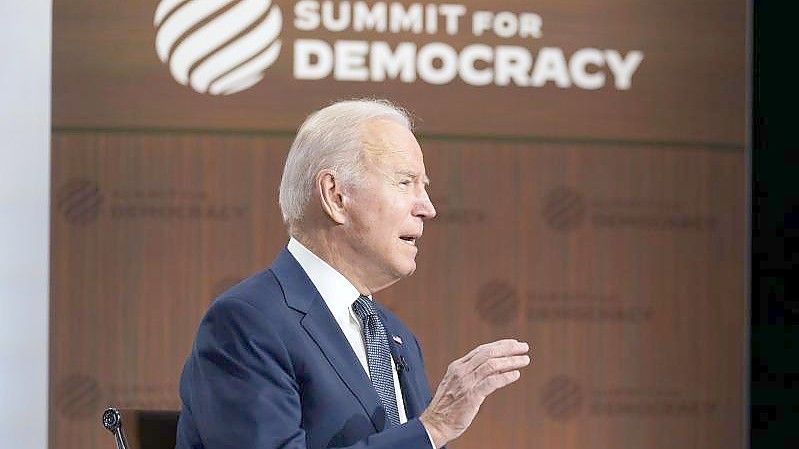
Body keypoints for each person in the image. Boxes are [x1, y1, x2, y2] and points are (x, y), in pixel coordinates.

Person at [175, 99, 531, 449]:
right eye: (406, 182)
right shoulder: (247, 324)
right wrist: (433, 429)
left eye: (425, 186)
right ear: (336, 196)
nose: (428, 208)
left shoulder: (394, 335)